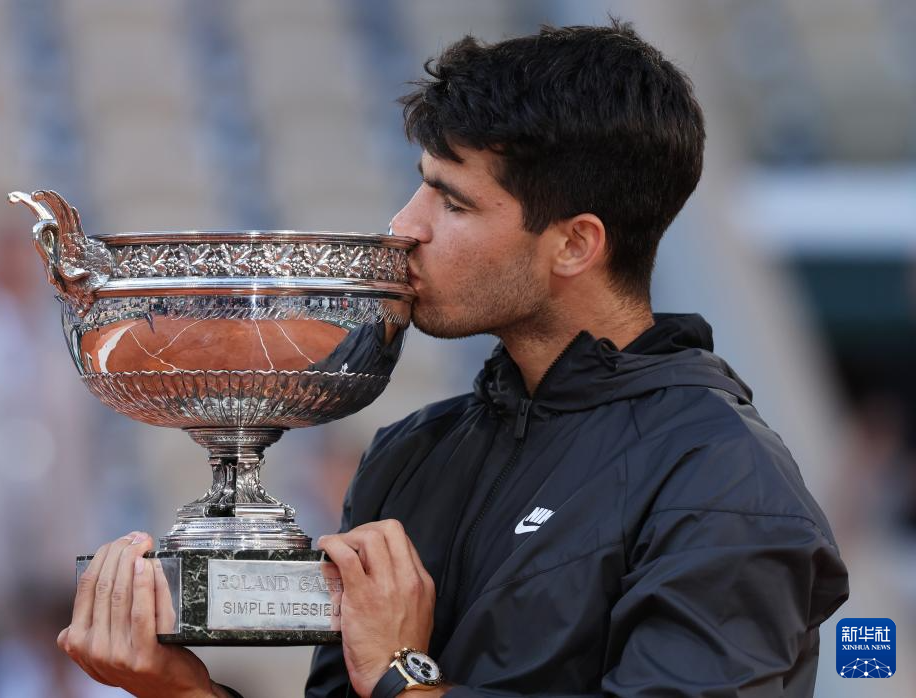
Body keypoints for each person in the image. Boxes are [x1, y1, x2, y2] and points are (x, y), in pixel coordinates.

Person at [57, 21, 850, 697]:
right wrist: (183, 690)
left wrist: (404, 676)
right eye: (420, 186)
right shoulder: (411, 454)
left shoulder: (724, 480)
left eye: (453, 201)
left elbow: (395, 681)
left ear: (575, 244)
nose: (404, 226)